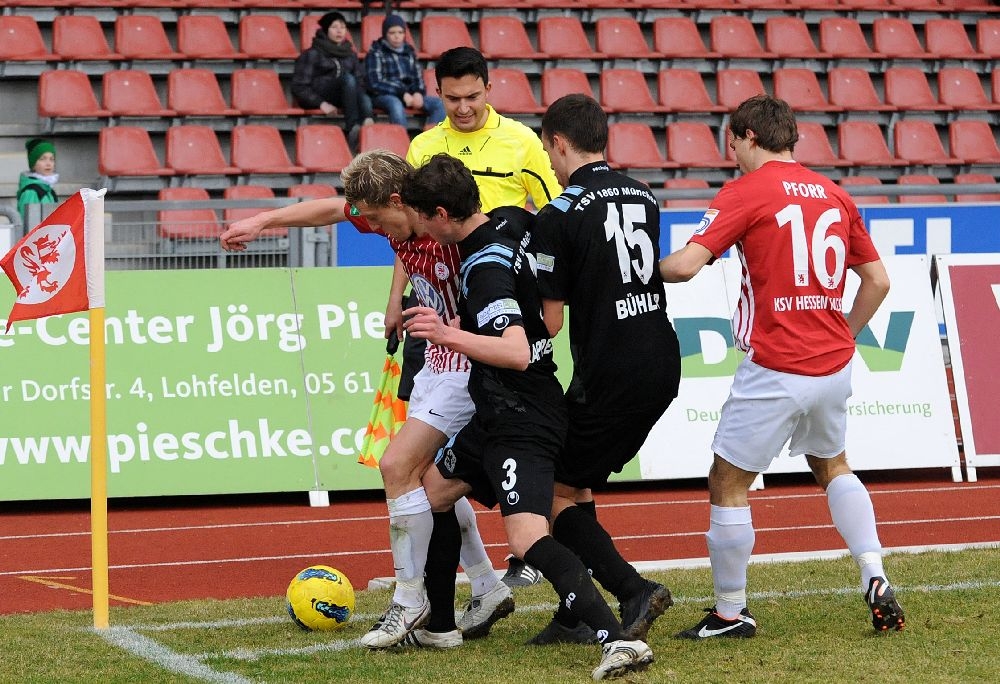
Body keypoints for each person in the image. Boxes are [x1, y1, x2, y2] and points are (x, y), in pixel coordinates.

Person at [218, 150, 514, 649]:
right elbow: (329, 209)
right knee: (430, 479)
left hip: (465, 366)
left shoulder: (447, 231)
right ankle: (486, 583)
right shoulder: (395, 219)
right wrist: (263, 220)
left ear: (401, 202)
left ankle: (410, 598)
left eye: (376, 218)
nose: (372, 228)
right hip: (435, 362)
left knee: (397, 466)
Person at [658, 95, 905, 639]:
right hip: (833, 366)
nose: (732, 152)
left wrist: (633, 272)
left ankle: (729, 613)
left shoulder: (746, 191)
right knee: (833, 464)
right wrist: (843, 333)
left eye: (732, 142)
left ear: (748, 136)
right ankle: (874, 572)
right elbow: (879, 281)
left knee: (727, 480)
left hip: (775, 364)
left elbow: (685, 267)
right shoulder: (834, 193)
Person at [400, 153, 654, 681]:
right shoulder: (511, 220)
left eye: (422, 219)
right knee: (436, 490)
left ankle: (617, 640)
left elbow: (515, 350)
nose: (420, 230)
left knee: (526, 538)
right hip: (500, 410)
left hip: (522, 415)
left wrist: (447, 334)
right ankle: (440, 623)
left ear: (442, 214)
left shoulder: (483, 269)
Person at [400, 45, 563, 587]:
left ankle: (528, 551)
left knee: (516, 429)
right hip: (440, 315)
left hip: (500, 304)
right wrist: (396, 296)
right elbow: (411, 233)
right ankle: (471, 578)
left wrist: (551, 301)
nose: (464, 107)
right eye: (452, 99)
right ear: (438, 94)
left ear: (489, 88)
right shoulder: (423, 146)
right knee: (441, 455)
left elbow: (554, 221)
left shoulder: (521, 142)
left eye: (472, 96)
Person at [524, 94, 683, 645]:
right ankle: (574, 613)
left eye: (548, 151)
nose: (549, 162)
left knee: (550, 492)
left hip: (611, 369)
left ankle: (632, 588)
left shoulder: (557, 214)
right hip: (661, 357)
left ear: (558, 143)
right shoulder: (643, 194)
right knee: (579, 481)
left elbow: (550, 323)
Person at [291, 11, 374, 148]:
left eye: (343, 27)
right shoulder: (312, 54)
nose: (339, 31)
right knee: (348, 79)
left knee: (360, 90)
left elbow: (360, 81)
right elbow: (299, 86)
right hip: (320, 95)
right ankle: (352, 127)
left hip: (344, 96)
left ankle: (367, 124)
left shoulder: (350, 54)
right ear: (325, 30)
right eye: (334, 27)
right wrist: (321, 104)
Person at [364, 14, 445, 129]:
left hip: (409, 95)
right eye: (392, 33)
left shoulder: (409, 52)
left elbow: (418, 78)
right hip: (384, 95)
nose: (397, 36)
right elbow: (374, 83)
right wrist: (402, 93)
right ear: (385, 34)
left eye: (400, 32)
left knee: (440, 104)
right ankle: (402, 139)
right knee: (395, 104)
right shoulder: (376, 52)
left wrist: (418, 93)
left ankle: (430, 138)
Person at [17, 138, 58, 222]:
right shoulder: (31, 191)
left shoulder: (48, 190)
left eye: (52, 159)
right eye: (42, 159)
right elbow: (29, 223)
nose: (48, 163)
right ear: (33, 164)